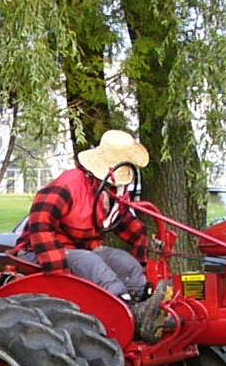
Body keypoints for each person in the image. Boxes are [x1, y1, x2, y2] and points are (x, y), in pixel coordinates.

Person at [12, 128, 172, 339]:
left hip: (82, 250)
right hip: (41, 253)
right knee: (94, 266)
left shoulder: (111, 191)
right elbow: (40, 223)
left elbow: (126, 223)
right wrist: (60, 273)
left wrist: (146, 250)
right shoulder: (68, 185)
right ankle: (126, 312)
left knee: (124, 262)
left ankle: (146, 305)